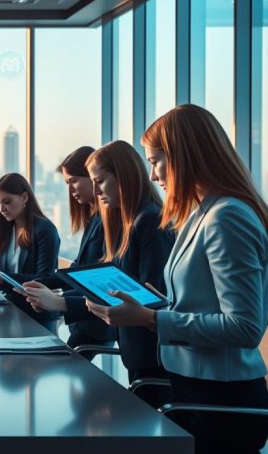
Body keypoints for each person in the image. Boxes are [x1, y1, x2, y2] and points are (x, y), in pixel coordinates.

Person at [86, 105, 268, 454]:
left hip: (220, 406)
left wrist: (151, 318)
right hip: (195, 393)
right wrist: (157, 307)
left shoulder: (227, 218)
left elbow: (244, 327)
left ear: (184, 157)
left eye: (156, 161)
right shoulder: (203, 214)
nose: (152, 175)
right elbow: (203, 303)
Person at [24, 140, 174, 407]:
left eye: (100, 181)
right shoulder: (131, 220)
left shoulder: (148, 220)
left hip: (152, 356)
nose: (95, 191)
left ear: (123, 176)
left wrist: (62, 302)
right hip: (138, 352)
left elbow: (150, 297)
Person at [0, 148, 115, 352]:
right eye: (67, 184)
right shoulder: (94, 219)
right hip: (83, 322)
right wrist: (42, 289)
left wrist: (57, 299)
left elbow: (97, 280)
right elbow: (78, 273)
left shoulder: (105, 222)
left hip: (96, 323)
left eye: (73, 181)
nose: (71, 190)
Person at [0, 173, 60, 328]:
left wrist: (2, 278)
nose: (1, 209)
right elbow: (2, 269)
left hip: (36, 315)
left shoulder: (45, 230)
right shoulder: (10, 229)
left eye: (7, 202)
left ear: (25, 197)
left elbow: (45, 278)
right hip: (12, 310)